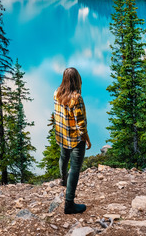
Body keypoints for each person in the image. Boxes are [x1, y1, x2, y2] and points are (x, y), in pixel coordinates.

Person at [53, 67, 91, 214]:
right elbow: (80, 122)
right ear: (77, 80)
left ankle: (63, 179)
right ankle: (69, 204)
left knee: (63, 157)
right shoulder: (76, 98)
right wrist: (86, 138)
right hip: (75, 139)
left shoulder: (56, 93)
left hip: (62, 136)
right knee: (75, 169)